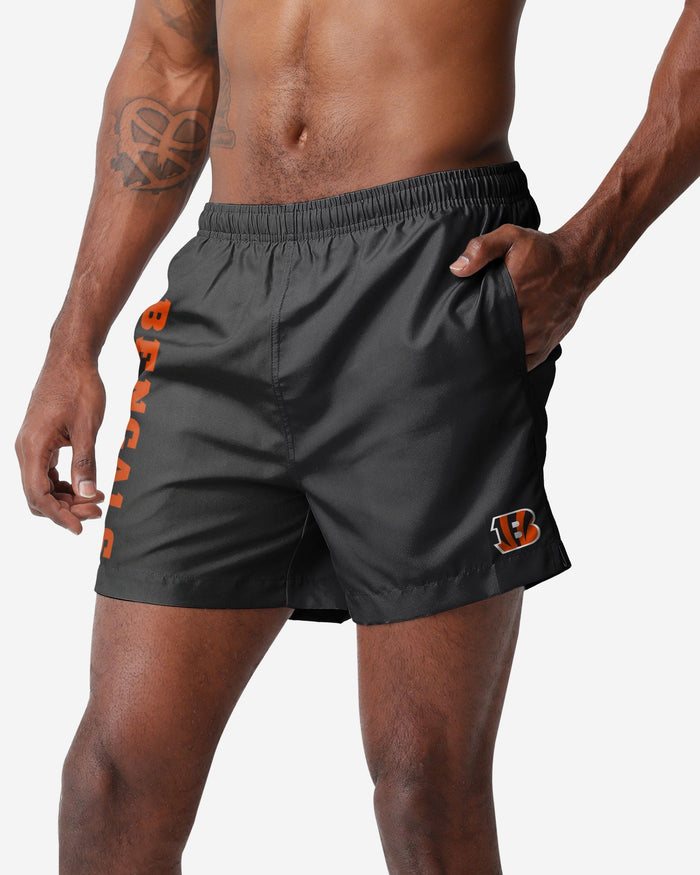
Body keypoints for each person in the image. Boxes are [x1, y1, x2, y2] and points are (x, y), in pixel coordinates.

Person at [14, 0, 699, 871]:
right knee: (110, 779)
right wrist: (73, 338)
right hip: (225, 286)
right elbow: (170, 57)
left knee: (424, 786)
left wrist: (589, 250)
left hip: (430, 271)